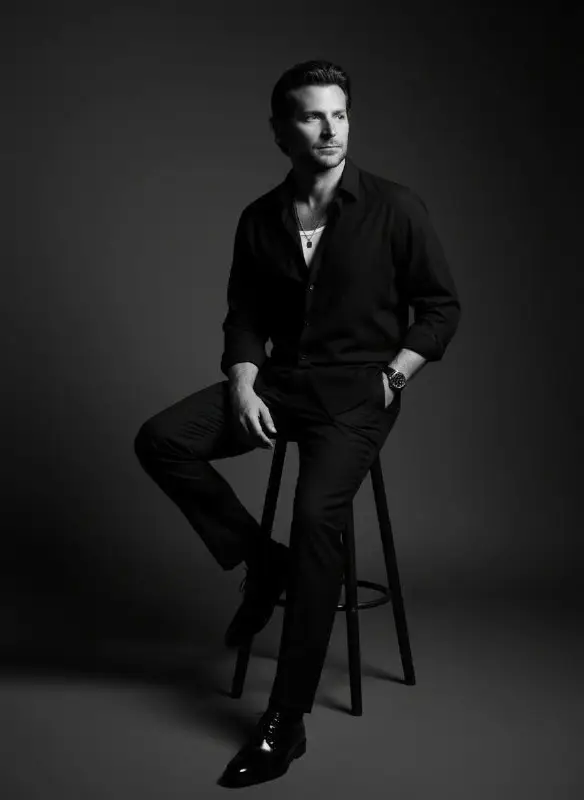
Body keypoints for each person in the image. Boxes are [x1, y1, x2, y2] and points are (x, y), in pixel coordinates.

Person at [134, 59, 461, 788]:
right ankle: (262, 558)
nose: (330, 129)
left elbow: (441, 309)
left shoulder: (396, 208)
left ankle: (286, 720)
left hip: (357, 398)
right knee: (161, 440)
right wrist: (244, 380)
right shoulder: (260, 218)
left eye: (340, 114)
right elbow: (244, 318)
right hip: (279, 387)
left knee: (319, 521)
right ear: (282, 130)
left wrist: (394, 375)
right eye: (312, 116)